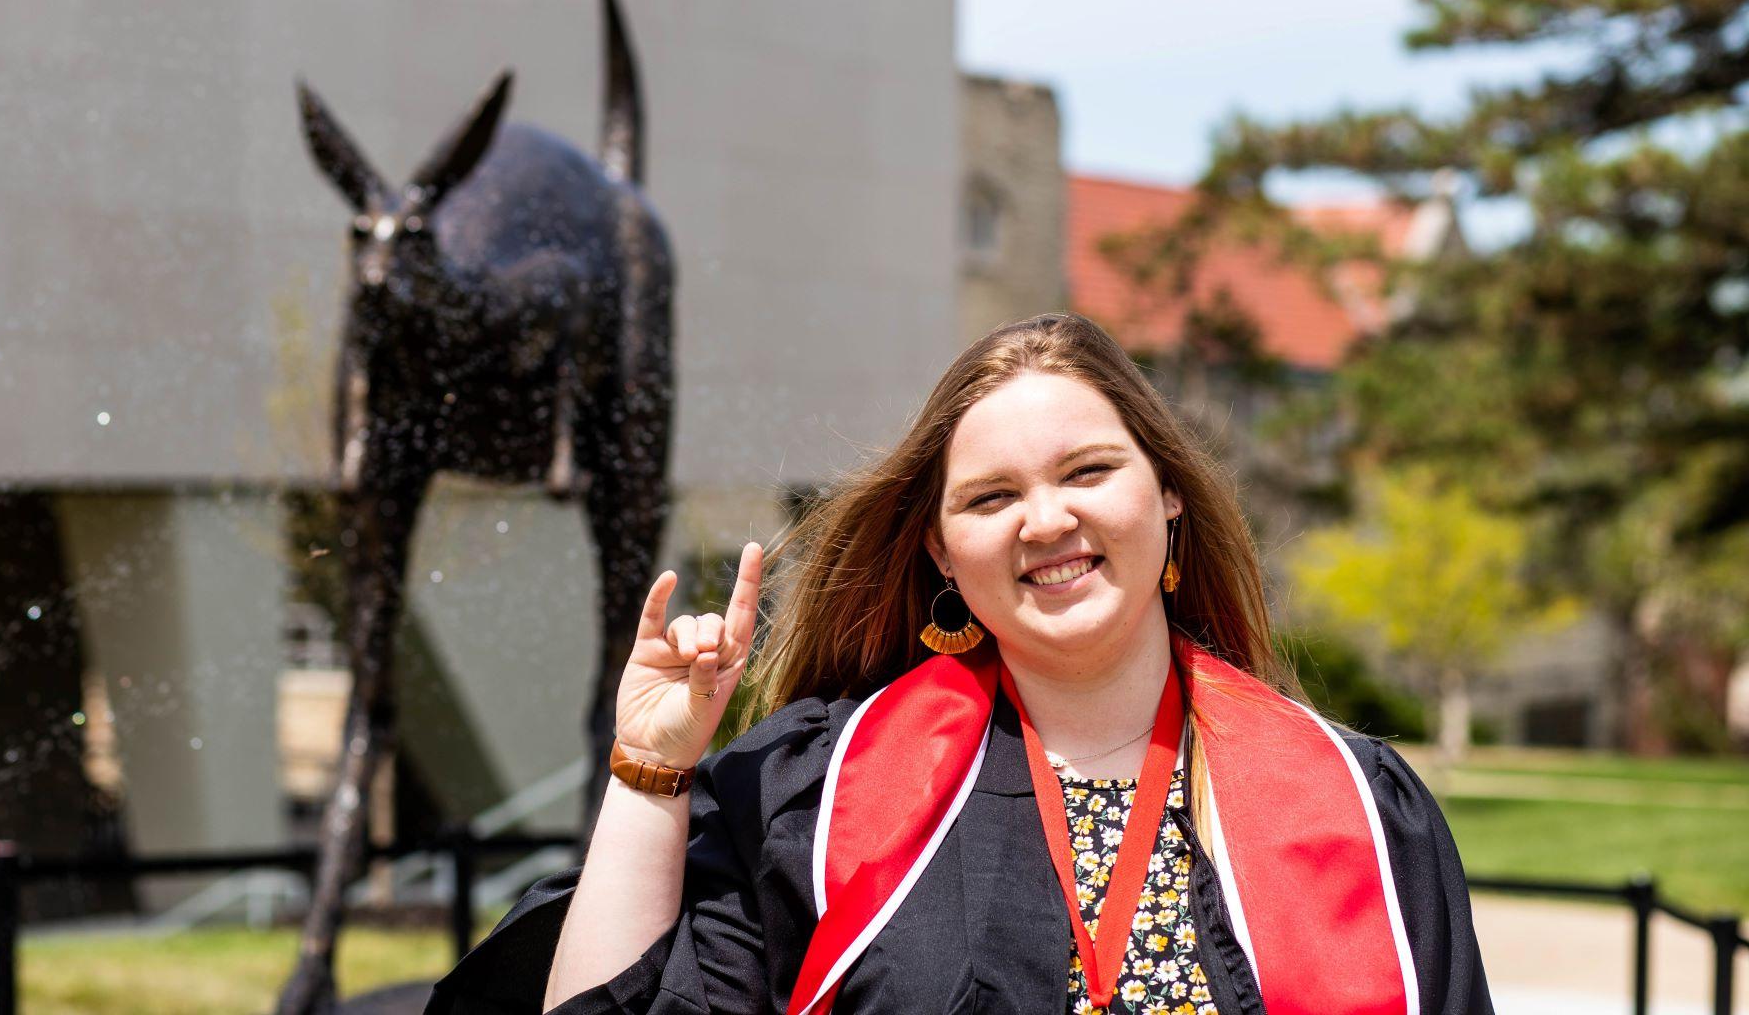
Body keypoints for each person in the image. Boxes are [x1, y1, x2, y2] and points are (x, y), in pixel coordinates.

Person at [426, 312, 1493, 1015]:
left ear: (1166, 493)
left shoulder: (1356, 807)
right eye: (990, 498)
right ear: (940, 548)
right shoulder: (819, 798)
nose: (1047, 520)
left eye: (1088, 470)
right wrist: (650, 774)